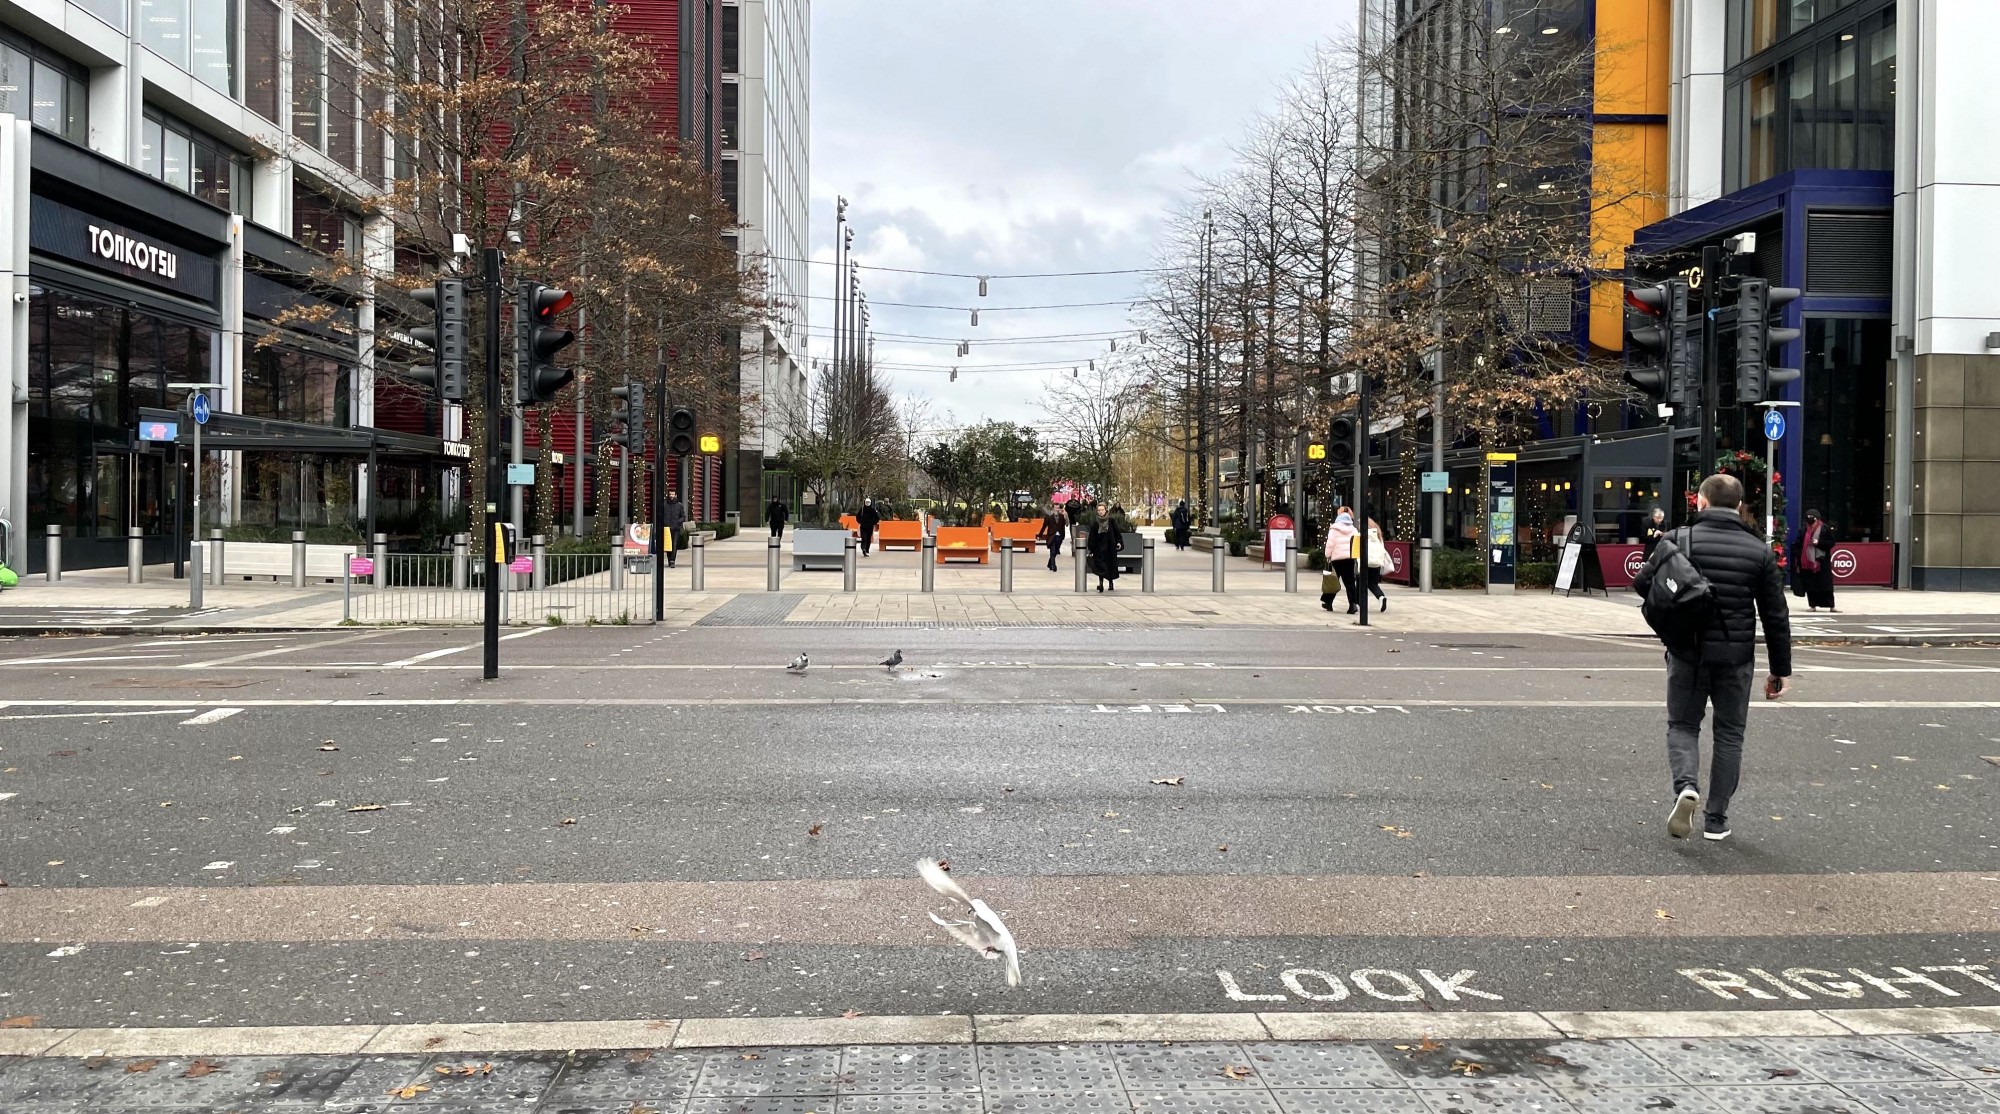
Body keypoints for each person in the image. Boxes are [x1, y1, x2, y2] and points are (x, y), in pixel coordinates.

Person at [1632, 472, 1793, 843]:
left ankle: (1686, 787)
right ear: (1739, 507)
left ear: (1700, 502)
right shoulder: (1759, 551)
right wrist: (1780, 669)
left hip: (1687, 651)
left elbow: (1642, 583)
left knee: (1684, 725)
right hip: (1736, 658)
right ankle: (1717, 819)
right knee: (1730, 735)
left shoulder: (1677, 540)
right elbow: (1775, 615)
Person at [1794, 510, 1836, 612]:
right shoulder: (1804, 529)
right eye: (1808, 516)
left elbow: (1831, 543)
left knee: (1826, 585)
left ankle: (1831, 605)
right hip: (1807, 562)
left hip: (1821, 561)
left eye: (1812, 517)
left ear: (1817, 518)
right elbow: (1798, 544)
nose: (1810, 519)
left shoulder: (1825, 528)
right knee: (1810, 585)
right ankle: (1812, 605)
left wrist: (1819, 542)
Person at [1321, 507, 1360, 613]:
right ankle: (1352, 605)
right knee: (1350, 583)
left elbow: (1330, 544)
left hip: (1337, 559)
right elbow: (1357, 543)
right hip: (1349, 559)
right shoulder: (1354, 529)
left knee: (1333, 581)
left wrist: (1327, 555)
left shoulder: (1334, 529)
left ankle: (1328, 602)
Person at [1086, 500, 1122, 592]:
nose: (1100, 512)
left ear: (1106, 510)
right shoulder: (1095, 523)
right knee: (1100, 566)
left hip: (1110, 547)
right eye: (1098, 510)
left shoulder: (1111, 521)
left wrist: (1118, 542)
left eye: (1102, 510)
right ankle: (1101, 584)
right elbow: (1092, 536)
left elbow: (1117, 533)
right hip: (1099, 549)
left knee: (1110, 566)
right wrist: (1091, 548)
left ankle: (1110, 583)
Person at [1361, 516, 1391, 613]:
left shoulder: (1363, 535)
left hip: (1366, 562)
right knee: (1373, 584)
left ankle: (1358, 602)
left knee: (1361, 582)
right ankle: (1381, 597)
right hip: (1377, 562)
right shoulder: (1378, 534)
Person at [1038, 502, 1066, 572]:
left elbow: (1063, 527)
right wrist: (1040, 535)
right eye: (1055, 507)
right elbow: (1044, 526)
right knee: (1052, 551)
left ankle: (1049, 563)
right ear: (1053, 508)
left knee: (1056, 551)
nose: (1056, 509)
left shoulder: (1062, 516)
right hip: (1051, 536)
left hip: (1059, 536)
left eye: (1058, 507)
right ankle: (1053, 566)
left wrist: (1063, 536)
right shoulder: (1049, 516)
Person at [662, 495, 687, 570]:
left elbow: (683, 516)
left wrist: (678, 522)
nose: (671, 496)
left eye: (673, 494)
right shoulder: (664, 505)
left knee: (674, 545)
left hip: (676, 528)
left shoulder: (679, 505)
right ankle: (670, 559)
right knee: (668, 545)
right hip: (666, 528)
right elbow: (661, 515)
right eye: (670, 494)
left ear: (675, 495)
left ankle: (672, 560)